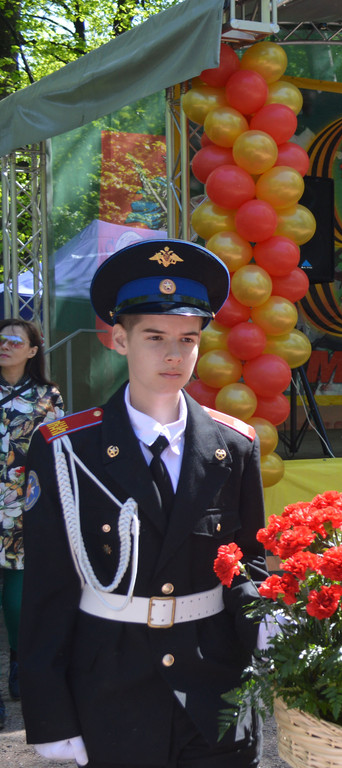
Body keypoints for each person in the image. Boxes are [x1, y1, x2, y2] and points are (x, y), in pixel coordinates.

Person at [21, 240, 268, 767]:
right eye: (154, 337)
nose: (174, 354)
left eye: (188, 338)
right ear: (117, 340)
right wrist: (50, 714)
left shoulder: (234, 446)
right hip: (112, 688)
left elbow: (248, 561)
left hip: (215, 688)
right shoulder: (67, 449)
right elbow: (48, 589)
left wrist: (275, 630)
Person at [0, 318, 64, 730]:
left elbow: (59, 447)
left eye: (13, 340)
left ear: (32, 351)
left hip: (23, 504)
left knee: (18, 586)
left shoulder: (47, 396)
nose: (4, 345)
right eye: (0, 339)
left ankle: (21, 662)